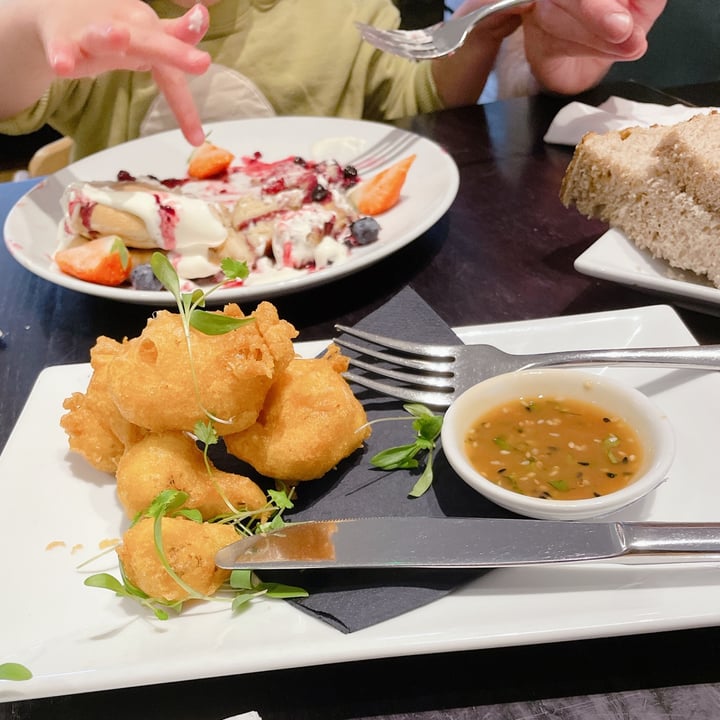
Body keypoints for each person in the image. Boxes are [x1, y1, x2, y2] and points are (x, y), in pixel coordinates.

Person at [0, 0, 666, 161]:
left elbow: (418, 98)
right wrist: (38, 22)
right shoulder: (98, 17)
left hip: (338, 283)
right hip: (148, 306)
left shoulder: (342, 9)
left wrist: (484, 28)